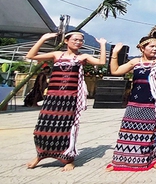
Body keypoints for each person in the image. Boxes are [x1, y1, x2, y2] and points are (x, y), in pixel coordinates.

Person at [25, 32, 107, 171]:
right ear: (66, 41)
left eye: (81, 40)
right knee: (42, 128)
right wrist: (43, 39)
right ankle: (40, 155)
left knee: (67, 129)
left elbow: (101, 62)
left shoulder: (82, 57)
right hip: (53, 97)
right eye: (75, 40)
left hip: (70, 98)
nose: (78, 42)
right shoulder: (57, 55)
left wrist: (103, 45)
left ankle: (68, 158)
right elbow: (31, 56)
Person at [106, 37, 156, 171]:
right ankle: (121, 160)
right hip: (135, 102)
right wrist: (114, 55)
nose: (154, 49)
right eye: (151, 46)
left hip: (152, 103)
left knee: (150, 131)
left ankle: (151, 159)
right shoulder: (135, 62)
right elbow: (116, 71)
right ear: (142, 48)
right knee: (128, 129)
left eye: (155, 46)